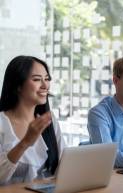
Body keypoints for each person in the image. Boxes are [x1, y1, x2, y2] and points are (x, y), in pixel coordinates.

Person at [0, 56, 65, 185]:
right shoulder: (2, 123)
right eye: (37, 79)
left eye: (47, 79)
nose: (45, 85)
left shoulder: (48, 119)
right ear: (18, 86)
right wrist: (25, 142)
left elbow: (64, 162)